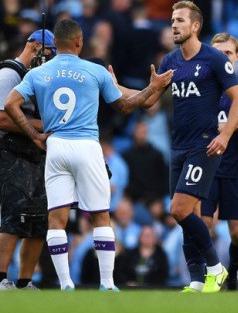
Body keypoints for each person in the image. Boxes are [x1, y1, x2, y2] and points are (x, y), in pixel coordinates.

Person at [4, 18, 173, 291]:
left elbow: (11, 104)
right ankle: (107, 283)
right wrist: (153, 88)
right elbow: (126, 107)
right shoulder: (94, 70)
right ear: (80, 42)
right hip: (86, 144)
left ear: (55, 44)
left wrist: (34, 135)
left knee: (56, 219)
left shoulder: (38, 74)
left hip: (55, 146)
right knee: (100, 216)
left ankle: (65, 283)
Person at [111, 2, 238, 292]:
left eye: (180, 20)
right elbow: (148, 101)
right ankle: (197, 281)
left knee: (179, 209)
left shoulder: (213, 59)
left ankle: (216, 267)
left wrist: (224, 135)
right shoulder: (170, 60)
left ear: (195, 26)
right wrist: (116, 87)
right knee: (189, 215)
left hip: (204, 145)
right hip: (178, 147)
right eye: (172, 19)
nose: (174, 25)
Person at [192, 33, 238, 291]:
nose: (222, 57)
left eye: (227, 53)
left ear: (236, 57)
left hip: (235, 169)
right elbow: (203, 127)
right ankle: (206, 277)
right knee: (204, 224)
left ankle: (232, 273)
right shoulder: (200, 87)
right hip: (206, 167)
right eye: (217, 52)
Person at [0, 29, 56, 290]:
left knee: (38, 218)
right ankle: (0, 278)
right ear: (34, 46)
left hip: (35, 155)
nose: (50, 59)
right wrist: (38, 125)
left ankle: (24, 282)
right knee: (13, 214)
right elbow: (0, 117)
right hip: (10, 153)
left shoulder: (39, 77)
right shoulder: (10, 74)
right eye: (48, 52)